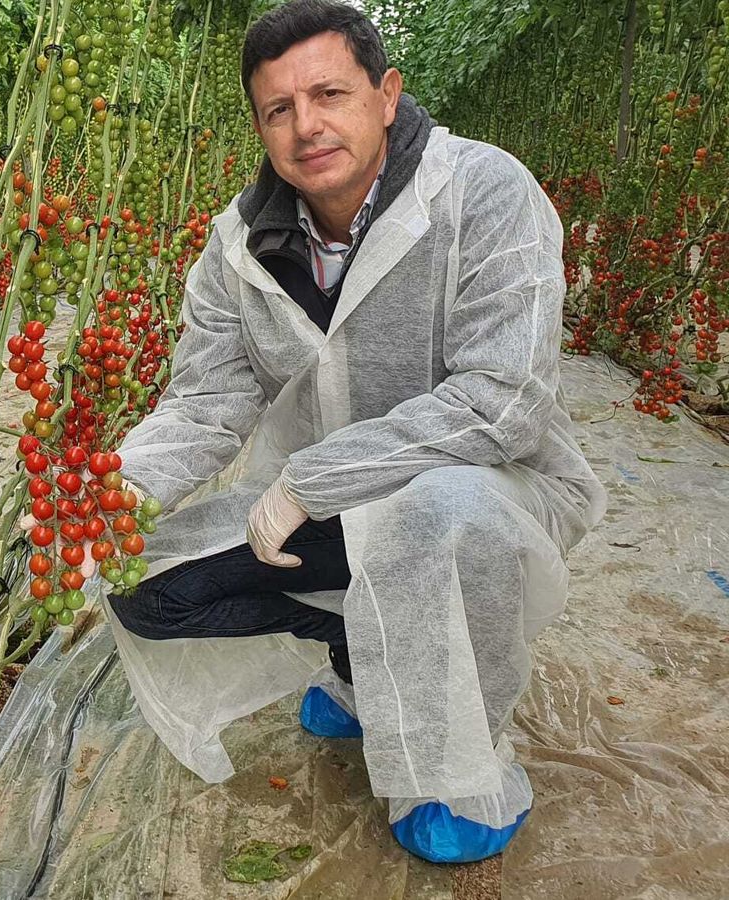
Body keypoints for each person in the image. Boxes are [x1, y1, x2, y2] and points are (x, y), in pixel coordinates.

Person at [102, 0, 608, 864]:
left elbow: (502, 400)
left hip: (489, 491)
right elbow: (206, 400)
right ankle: (359, 648)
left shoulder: (481, 192)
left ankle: (461, 768)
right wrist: (110, 491)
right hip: (324, 505)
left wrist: (311, 480)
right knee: (143, 584)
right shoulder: (241, 248)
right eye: (279, 109)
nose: (306, 126)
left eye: (329, 94)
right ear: (261, 128)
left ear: (386, 94)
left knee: (437, 514)